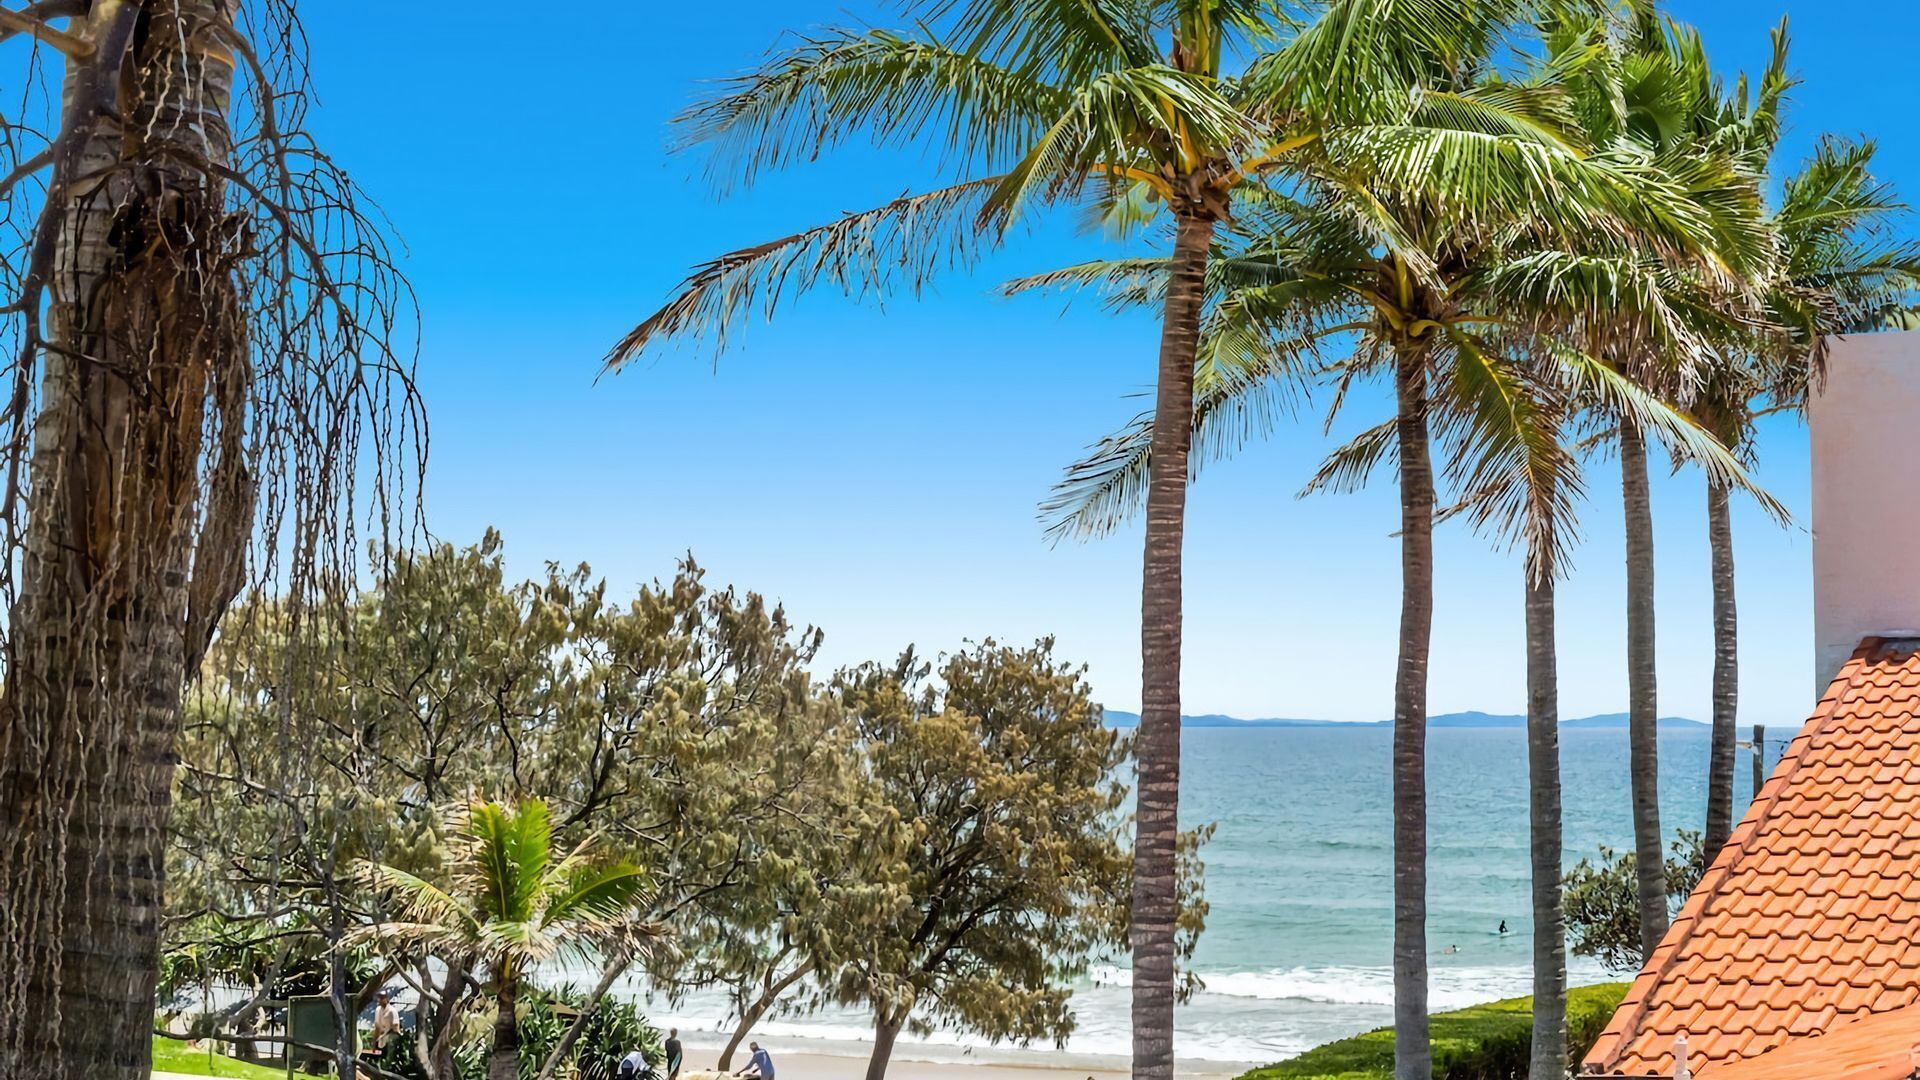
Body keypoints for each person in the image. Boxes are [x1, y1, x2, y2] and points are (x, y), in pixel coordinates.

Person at [368, 989, 400, 1057]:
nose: (380, 999)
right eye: (379, 997)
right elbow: (377, 1027)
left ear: (387, 999)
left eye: (382, 997)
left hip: (391, 1041)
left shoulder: (392, 1011)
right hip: (382, 1041)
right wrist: (374, 1043)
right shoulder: (378, 1010)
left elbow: (396, 1029)